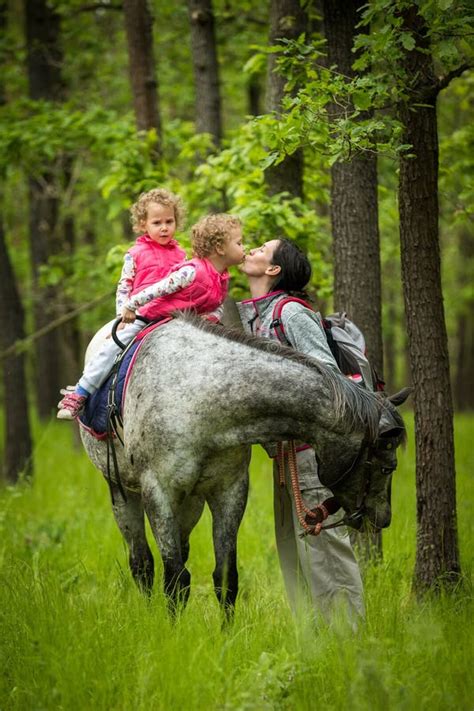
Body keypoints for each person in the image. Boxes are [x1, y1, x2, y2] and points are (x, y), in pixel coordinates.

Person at [237, 238, 365, 623]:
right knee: (296, 557)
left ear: (273, 270)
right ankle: (316, 650)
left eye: (261, 248)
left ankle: (351, 646)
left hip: (311, 455)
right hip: (285, 457)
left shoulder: (290, 313)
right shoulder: (260, 316)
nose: (251, 250)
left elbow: (328, 378)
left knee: (326, 550)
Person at [57, 213, 245, 419]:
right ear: (220, 248)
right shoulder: (192, 271)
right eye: (239, 242)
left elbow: (216, 305)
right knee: (114, 348)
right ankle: (80, 392)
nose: (244, 247)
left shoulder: (222, 278)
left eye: (168, 221)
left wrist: (211, 319)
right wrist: (130, 306)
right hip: (151, 316)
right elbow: (157, 289)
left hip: (181, 322)